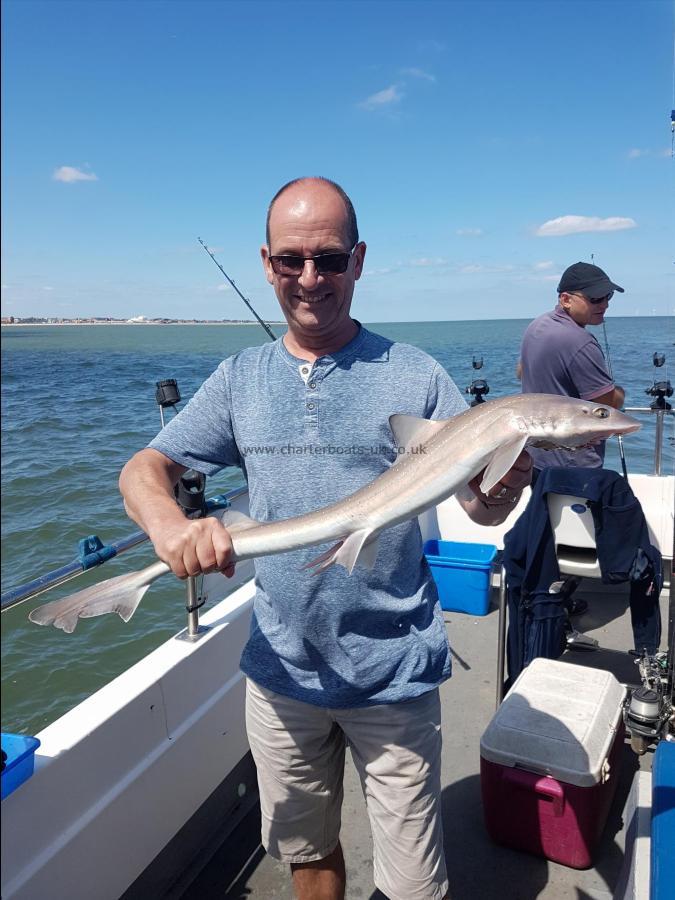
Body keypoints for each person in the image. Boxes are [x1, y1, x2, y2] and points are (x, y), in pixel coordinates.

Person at [119, 177, 532, 900]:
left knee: (415, 886)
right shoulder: (238, 379)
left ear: (359, 261)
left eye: (330, 260)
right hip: (281, 673)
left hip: (393, 674)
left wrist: (502, 486)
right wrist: (170, 525)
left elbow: (483, 507)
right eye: (291, 260)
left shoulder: (415, 374)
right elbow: (144, 468)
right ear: (266, 263)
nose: (310, 279)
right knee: (308, 858)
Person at [519, 261, 625, 478]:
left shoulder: (536, 326)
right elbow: (606, 407)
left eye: (608, 297)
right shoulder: (581, 342)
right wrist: (620, 393)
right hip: (573, 464)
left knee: (545, 511)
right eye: (595, 299)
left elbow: (521, 371)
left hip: (537, 456)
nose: (604, 305)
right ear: (566, 299)